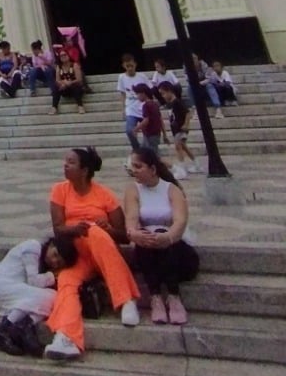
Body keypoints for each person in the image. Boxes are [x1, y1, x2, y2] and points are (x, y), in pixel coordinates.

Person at [43, 146, 141, 360]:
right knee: (67, 280)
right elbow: (57, 227)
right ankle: (66, 337)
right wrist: (75, 229)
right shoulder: (60, 190)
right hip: (76, 256)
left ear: (84, 170)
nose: (65, 165)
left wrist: (106, 229)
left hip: (103, 252)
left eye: (71, 162)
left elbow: (124, 235)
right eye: (65, 161)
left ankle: (126, 299)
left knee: (95, 232)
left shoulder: (104, 194)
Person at [124, 147, 199, 324]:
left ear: (152, 169)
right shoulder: (133, 190)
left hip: (176, 248)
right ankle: (155, 297)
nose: (134, 170)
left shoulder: (172, 190)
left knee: (161, 237)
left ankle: (174, 296)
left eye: (138, 166)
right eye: (132, 166)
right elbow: (131, 219)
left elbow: (180, 222)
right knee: (148, 240)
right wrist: (135, 234)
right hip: (148, 247)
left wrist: (167, 237)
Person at [0, 236, 78, 357]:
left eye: (58, 263)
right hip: (4, 286)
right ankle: (5, 329)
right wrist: (53, 276)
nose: (54, 261)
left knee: (52, 298)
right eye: (55, 255)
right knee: (52, 297)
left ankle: (25, 327)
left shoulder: (42, 260)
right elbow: (34, 282)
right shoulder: (33, 247)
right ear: (51, 245)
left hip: (17, 289)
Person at [157, 81, 199, 178]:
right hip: (175, 129)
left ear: (169, 91)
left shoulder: (177, 102)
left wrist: (186, 124)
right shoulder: (170, 104)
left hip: (181, 128)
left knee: (178, 147)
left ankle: (182, 171)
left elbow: (188, 113)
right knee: (183, 146)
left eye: (163, 93)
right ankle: (197, 164)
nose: (163, 96)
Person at [117, 54, 150, 156]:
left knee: (147, 132)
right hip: (131, 108)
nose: (130, 68)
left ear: (135, 64)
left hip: (143, 108)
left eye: (131, 65)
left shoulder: (142, 76)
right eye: (128, 66)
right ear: (124, 66)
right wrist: (123, 109)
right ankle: (137, 149)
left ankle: (149, 151)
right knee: (129, 130)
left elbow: (150, 90)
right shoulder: (122, 77)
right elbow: (122, 94)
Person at [50, 46, 85, 115]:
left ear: (68, 55)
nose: (63, 57)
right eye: (61, 56)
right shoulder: (59, 67)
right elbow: (57, 80)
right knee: (55, 87)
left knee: (75, 86)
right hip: (64, 89)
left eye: (65, 55)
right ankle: (54, 107)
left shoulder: (74, 65)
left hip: (75, 88)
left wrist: (69, 83)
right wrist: (64, 83)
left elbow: (79, 80)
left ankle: (80, 106)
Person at [132, 82, 164, 156]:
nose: (137, 96)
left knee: (154, 155)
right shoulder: (155, 104)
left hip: (150, 134)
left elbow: (146, 120)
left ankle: (170, 166)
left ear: (143, 93)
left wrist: (136, 129)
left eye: (137, 94)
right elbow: (160, 119)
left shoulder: (146, 106)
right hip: (155, 133)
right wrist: (164, 134)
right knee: (145, 152)